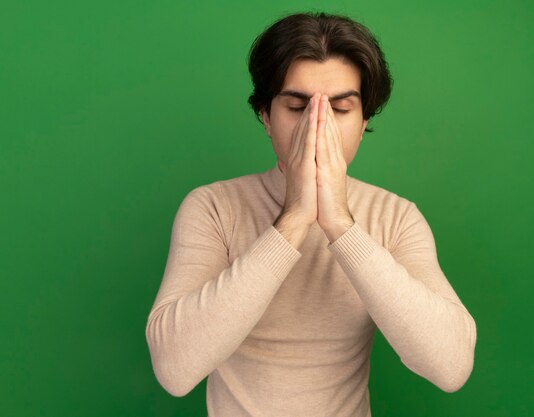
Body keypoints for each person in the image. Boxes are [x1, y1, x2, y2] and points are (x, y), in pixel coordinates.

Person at [145, 11, 477, 417]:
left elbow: (451, 367)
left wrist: (339, 223)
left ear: (363, 121)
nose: (317, 127)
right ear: (265, 116)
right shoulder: (213, 208)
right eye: (298, 106)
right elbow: (175, 371)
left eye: (339, 108)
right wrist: (293, 220)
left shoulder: (396, 217)